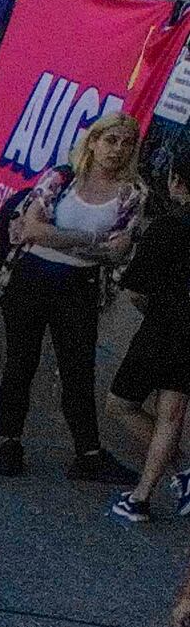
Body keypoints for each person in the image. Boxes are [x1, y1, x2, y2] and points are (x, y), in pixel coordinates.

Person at [0, 111, 140, 485]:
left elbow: (119, 251)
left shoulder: (131, 194)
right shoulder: (62, 178)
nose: (117, 151)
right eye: (110, 140)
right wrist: (89, 240)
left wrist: (62, 235)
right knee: (20, 363)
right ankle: (9, 442)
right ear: (93, 141)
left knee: (77, 370)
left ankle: (88, 453)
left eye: (126, 144)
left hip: (80, 286)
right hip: (32, 277)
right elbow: (33, 230)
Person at [112, 152, 190, 520]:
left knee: (121, 403)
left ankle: (173, 477)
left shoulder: (167, 228)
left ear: (176, 182)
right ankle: (142, 496)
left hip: (161, 330)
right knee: (171, 414)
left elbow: (136, 288)